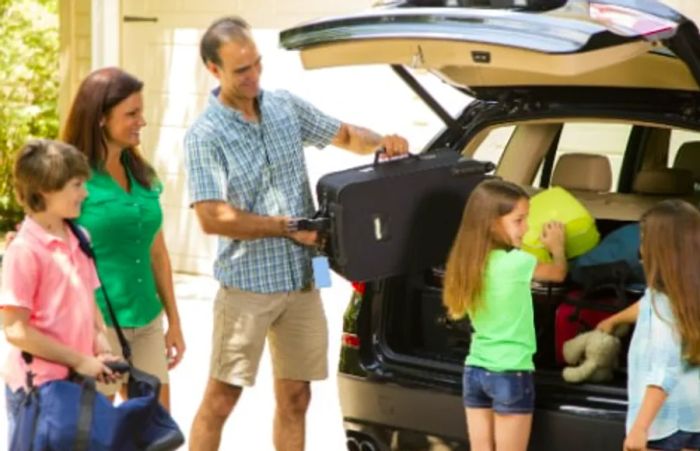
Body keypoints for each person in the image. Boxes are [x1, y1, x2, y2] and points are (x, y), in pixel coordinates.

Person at [183, 15, 409, 451]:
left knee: (297, 397)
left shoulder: (285, 106)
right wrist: (288, 228)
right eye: (240, 70)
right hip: (248, 287)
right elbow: (212, 217)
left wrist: (384, 142)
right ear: (214, 70)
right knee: (221, 399)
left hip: (304, 280)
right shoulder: (205, 136)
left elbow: (345, 134)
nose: (253, 77)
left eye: (256, 64)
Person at [61, 67, 185, 410]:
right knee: (94, 434)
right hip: (96, 325)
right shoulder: (71, 178)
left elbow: (157, 253)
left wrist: (173, 320)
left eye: (141, 112)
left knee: (154, 430)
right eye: (131, 113)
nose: (141, 121)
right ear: (100, 118)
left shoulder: (142, 173)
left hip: (146, 320)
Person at [1, 139, 119, 440]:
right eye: (76, 185)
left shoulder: (79, 237)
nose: (85, 193)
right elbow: (15, 330)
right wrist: (79, 360)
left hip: (75, 381)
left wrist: (100, 346)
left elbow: (86, 298)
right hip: (39, 389)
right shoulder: (25, 251)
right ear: (46, 190)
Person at [442, 179, 567, 451]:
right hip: (510, 373)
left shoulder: (467, 263)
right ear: (491, 223)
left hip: (475, 371)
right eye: (519, 220)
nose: (527, 228)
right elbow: (558, 274)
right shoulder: (516, 263)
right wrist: (557, 247)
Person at [605, 200, 700, 451]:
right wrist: (612, 320)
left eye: (644, 240)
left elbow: (664, 369)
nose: (640, 249)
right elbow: (644, 305)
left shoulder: (663, 304)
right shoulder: (686, 293)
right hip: (694, 417)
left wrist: (640, 427)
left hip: (664, 422)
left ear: (658, 249)